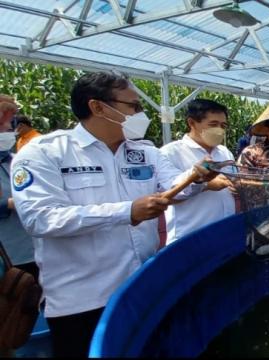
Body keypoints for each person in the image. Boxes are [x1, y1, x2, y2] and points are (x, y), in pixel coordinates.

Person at [9, 72, 217, 357]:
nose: (140, 114)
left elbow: (173, 189)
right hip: (83, 301)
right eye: (134, 106)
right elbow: (40, 218)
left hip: (141, 287)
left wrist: (196, 178)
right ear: (98, 107)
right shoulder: (45, 154)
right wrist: (126, 211)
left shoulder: (145, 152)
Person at [159, 99, 236, 245]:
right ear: (192, 123)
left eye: (223, 125)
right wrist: (205, 185)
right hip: (190, 236)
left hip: (224, 232)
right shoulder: (170, 153)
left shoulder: (224, 152)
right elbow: (168, 195)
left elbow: (232, 180)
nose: (219, 130)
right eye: (213, 124)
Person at [0, 99, 36, 280]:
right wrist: (7, 204)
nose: (9, 128)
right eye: (3, 125)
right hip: (7, 255)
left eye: (10, 124)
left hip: (30, 251)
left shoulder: (16, 160)